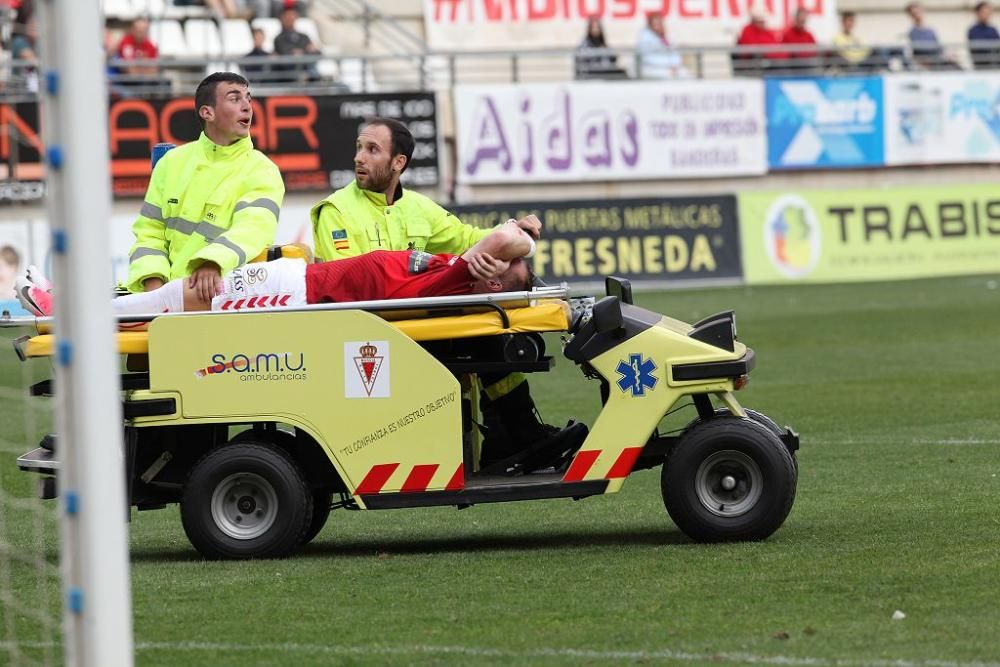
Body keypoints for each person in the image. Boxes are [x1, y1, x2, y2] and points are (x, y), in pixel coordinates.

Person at [310, 118, 581, 471]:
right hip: (372, 335)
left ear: (398, 163)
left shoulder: (418, 208)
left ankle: (511, 438)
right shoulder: (337, 210)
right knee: (486, 338)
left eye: (372, 149)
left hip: (416, 326)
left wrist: (513, 227)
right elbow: (344, 284)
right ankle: (516, 437)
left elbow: (468, 237)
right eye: (359, 147)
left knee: (492, 332)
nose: (359, 157)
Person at [126, 72, 284, 303]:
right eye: (234, 98)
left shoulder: (263, 169)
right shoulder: (171, 162)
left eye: (248, 98)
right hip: (159, 298)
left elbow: (253, 229)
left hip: (219, 299)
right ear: (207, 112)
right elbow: (149, 234)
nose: (247, 106)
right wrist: (153, 284)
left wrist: (212, 262)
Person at [905, 2, 959, 70]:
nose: (917, 15)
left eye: (918, 12)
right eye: (914, 13)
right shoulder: (911, 33)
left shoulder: (931, 30)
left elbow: (939, 47)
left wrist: (949, 55)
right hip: (928, 63)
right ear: (910, 16)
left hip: (939, 60)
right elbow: (914, 54)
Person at [635, 11, 688, 79]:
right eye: (655, 24)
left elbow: (674, 53)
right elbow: (647, 58)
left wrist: (675, 64)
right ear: (650, 25)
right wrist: (668, 65)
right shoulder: (645, 38)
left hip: (670, 67)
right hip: (652, 68)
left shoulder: (665, 36)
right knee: (668, 76)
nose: (658, 26)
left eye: (660, 23)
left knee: (684, 73)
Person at [734, 9, 784, 75]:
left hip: (770, 62)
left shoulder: (767, 32)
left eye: (763, 21)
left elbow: (776, 47)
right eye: (759, 21)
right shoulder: (747, 30)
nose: (762, 23)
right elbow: (751, 48)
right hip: (755, 63)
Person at [968, 2, 1000, 69]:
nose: (987, 15)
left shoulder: (993, 29)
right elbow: (978, 48)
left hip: (996, 62)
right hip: (982, 65)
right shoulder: (973, 30)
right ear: (977, 13)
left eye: (988, 12)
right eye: (984, 12)